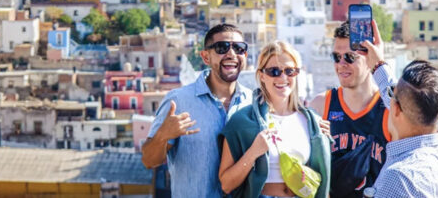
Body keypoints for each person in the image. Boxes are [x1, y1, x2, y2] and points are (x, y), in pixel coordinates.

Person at [141, 23, 252, 198]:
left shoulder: (253, 103)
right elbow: (149, 160)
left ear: (245, 55)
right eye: (222, 47)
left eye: (239, 48)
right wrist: (162, 135)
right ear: (206, 57)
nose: (231, 54)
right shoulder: (178, 101)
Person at [360, 23, 438, 197]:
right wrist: (378, 65)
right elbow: (409, 100)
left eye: (393, 96)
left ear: (396, 109)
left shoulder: (399, 177)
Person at [218, 41, 330, 198]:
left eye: (290, 71)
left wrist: (325, 140)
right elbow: (226, 184)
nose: (283, 77)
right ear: (262, 76)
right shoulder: (241, 122)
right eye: (274, 71)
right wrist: (253, 152)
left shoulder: (312, 122)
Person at [311, 22, 390, 198]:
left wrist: (380, 64)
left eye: (349, 57)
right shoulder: (320, 106)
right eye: (336, 57)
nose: (341, 64)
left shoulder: (388, 109)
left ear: (369, 58)